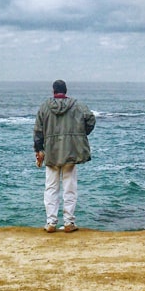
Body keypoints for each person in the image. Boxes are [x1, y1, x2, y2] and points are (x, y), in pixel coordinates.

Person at [33, 79, 96, 233]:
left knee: (51, 188)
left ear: (53, 91)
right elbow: (91, 119)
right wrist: (79, 134)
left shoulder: (45, 106)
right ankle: (69, 222)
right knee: (70, 188)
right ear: (65, 91)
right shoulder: (77, 105)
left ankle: (51, 223)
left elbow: (38, 131)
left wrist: (39, 149)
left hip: (51, 152)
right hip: (70, 151)